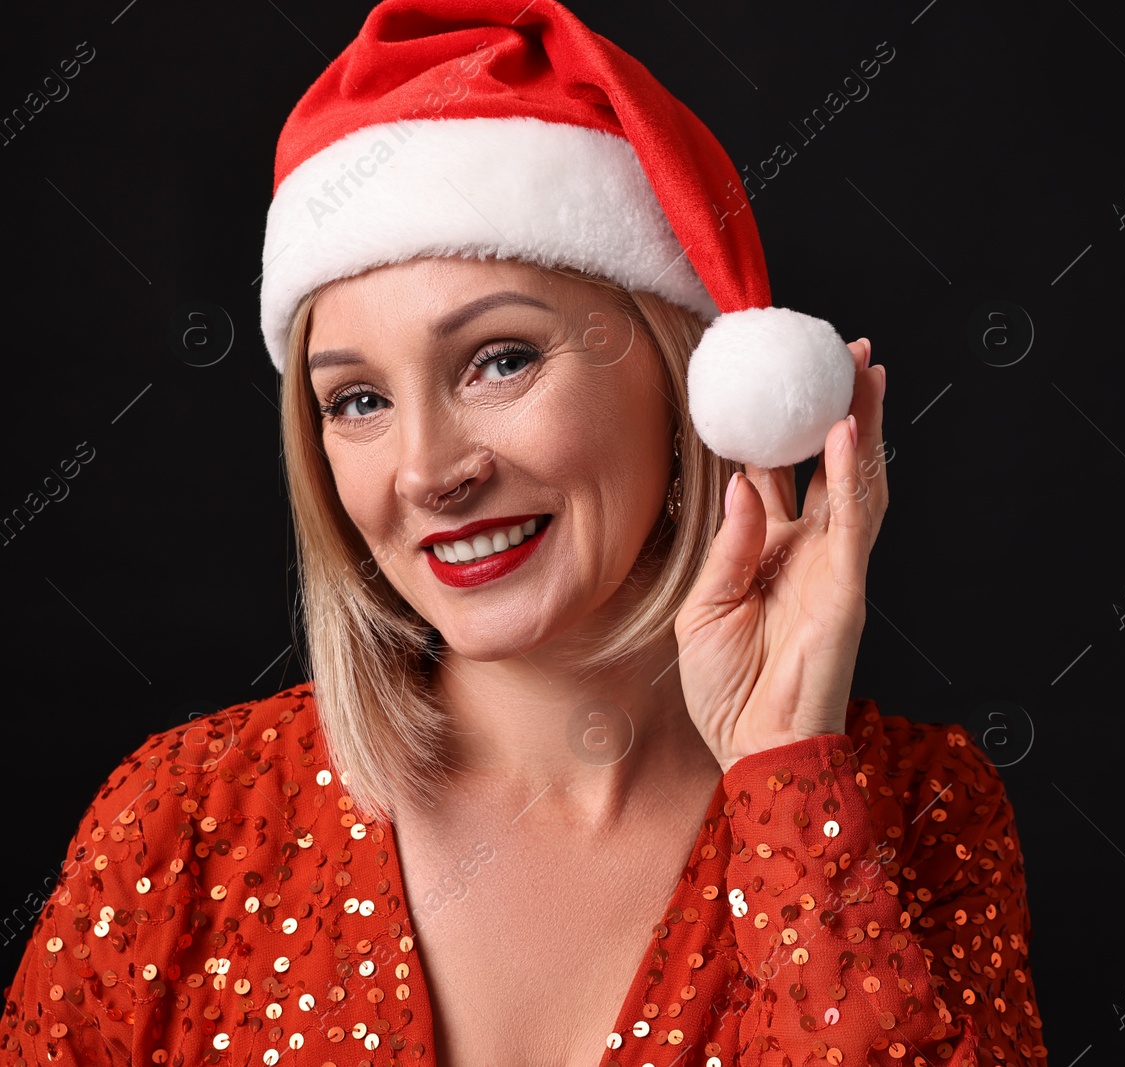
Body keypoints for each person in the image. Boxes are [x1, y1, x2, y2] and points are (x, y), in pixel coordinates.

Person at [2, 3, 1047, 1065]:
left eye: (499, 359)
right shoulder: (182, 826)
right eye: (356, 399)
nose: (428, 471)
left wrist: (789, 775)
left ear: (693, 382)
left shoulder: (914, 812)